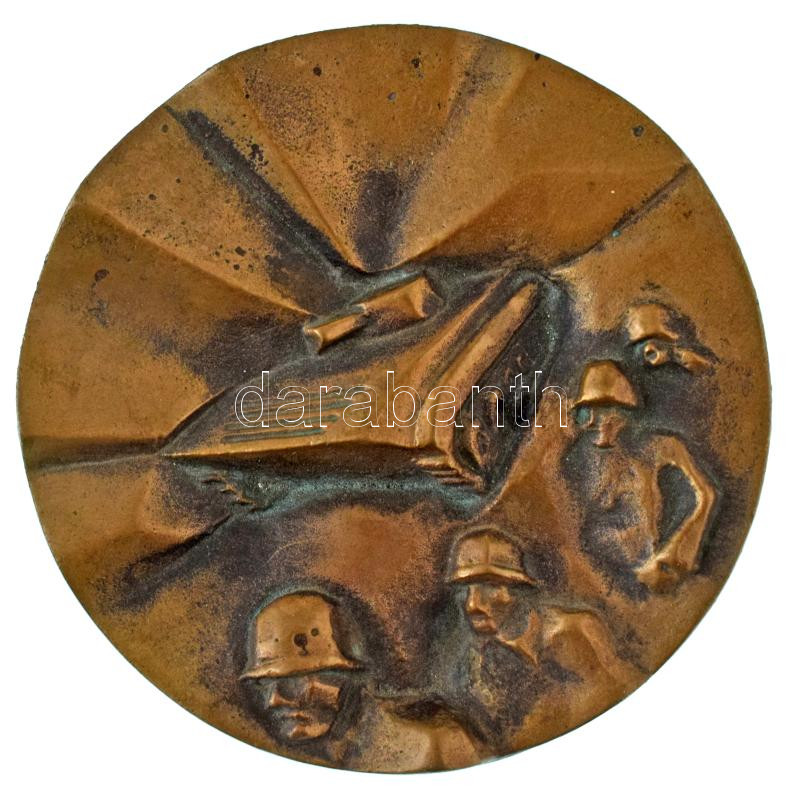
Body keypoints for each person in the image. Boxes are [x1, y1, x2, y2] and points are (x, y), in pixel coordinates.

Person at [240, 590, 483, 771]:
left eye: (292, 684)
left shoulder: (431, 746)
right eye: (264, 684)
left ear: (341, 678)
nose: (273, 701)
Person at [445, 529, 641, 750]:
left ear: (518, 591)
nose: (472, 605)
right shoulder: (474, 665)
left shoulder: (572, 632)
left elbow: (625, 696)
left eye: (489, 587)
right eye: (465, 591)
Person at [571, 360, 717, 593]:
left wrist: (676, 551)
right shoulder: (577, 456)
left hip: (644, 568)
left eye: (609, 412)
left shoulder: (659, 446)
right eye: (592, 413)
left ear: (624, 412)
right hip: (593, 574)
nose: (602, 423)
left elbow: (707, 494)